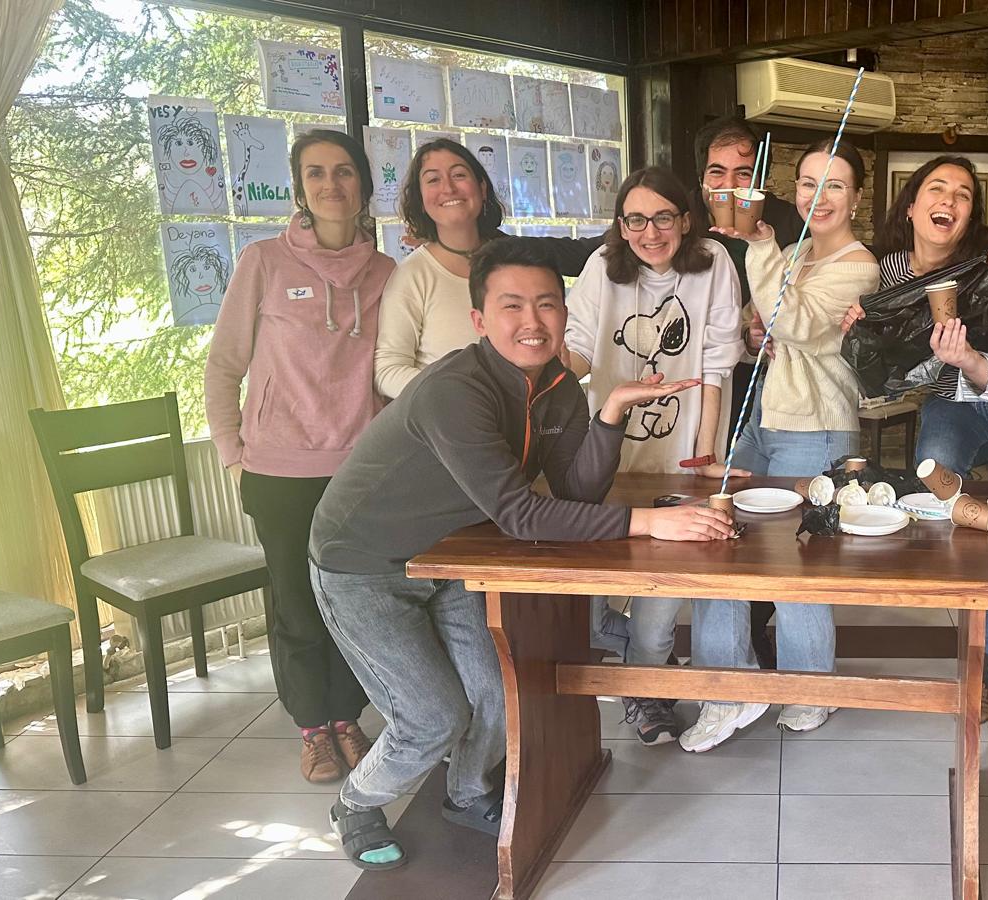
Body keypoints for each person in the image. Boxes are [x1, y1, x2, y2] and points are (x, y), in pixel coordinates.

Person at [310, 239, 735, 871]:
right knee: (433, 716)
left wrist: (610, 415)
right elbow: (523, 515)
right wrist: (651, 522)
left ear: (565, 313)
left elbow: (575, 491)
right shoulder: (455, 390)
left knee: (496, 692)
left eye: (547, 304)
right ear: (479, 319)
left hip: (454, 556)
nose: (532, 321)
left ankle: (466, 792)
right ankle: (356, 802)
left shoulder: (559, 385)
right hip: (364, 564)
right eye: (511, 305)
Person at [205, 129, 394, 784]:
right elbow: (223, 366)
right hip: (278, 470)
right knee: (296, 606)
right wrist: (233, 454)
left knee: (355, 605)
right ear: (299, 189)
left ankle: (348, 718)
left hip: (360, 474)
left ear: (363, 185)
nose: (331, 184)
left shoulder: (387, 273)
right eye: (316, 173)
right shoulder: (263, 262)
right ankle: (313, 729)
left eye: (344, 171)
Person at [848, 155, 988, 724]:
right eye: (936, 189)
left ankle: (980, 670)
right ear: (912, 206)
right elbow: (893, 373)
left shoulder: (987, 269)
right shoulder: (889, 274)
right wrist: (864, 336)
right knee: (934, 470)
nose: (948, 200)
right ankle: (961, 572)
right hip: (957, 405)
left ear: (969, 216)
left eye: (963, 194)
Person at [681, 138, 879, 752]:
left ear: (856, 197)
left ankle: (811, 687)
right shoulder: (793, 253)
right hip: (764, 419)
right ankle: (727, 687)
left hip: (817, 426)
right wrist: (755, 332)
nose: (818, 196)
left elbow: (796, 322)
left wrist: (759, 248)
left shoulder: (859, 266)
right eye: (808, 183)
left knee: (798, 564)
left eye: (835, 185)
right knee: (715, 541)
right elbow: (764, 324)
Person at [562, 166, 745, 744]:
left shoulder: (713, 262)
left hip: (677, 456)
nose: (650, 232)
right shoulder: (601, 266)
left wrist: (702, 455)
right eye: (636, 220)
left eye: (663, 217)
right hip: (606, 453)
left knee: (658, 595)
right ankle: (649, 672)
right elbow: (577, 347)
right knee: (589, 603)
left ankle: (644, 691)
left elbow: (716, 364)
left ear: (685, 220)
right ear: (621, 226)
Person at [689, 115, 806, 669]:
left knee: (768, 512)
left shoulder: (788, 220)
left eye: (745, 173)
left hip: (772, 384)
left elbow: (802, 296)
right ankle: (725, 640)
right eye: (718, 172)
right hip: (706, 386)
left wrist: (768, 326)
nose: (732, 185)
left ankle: (758, 627)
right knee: (717, 511)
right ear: (702, 178)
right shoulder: (683, 223)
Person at [374, 138, 602, 398]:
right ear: (421, 200)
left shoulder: (516, 259)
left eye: (459, 175)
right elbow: (388, 370)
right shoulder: (413, 275)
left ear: (482, 189)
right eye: (433, 179)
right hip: (453, 418)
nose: (448, 188)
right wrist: (462, 394)